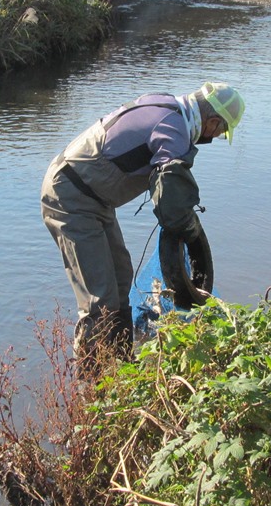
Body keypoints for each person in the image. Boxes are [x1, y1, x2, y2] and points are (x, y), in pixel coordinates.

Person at [40, 81, 245, 364]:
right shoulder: (174, 131)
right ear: (211, 122)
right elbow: (172, 209)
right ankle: (89, 389)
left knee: (122, 279)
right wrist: (189, 230)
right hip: (71, 197)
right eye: (221, 131)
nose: (217, 137)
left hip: (94, 198)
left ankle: (123, 366)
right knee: (100, 300)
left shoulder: (168, 105)